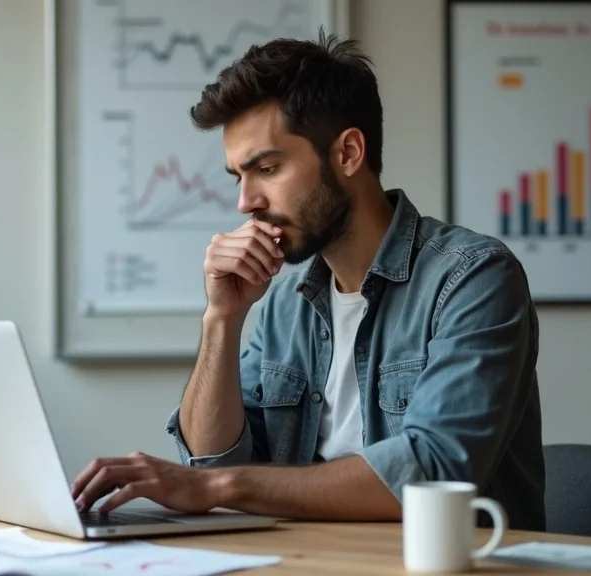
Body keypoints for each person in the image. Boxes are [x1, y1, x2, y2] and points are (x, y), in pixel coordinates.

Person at [70, 31, 546, 532]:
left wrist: (220, 487)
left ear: (347, 153)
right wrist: (222, 319)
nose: (245, 202)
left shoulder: (472, 278)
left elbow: (434, 470)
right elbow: (211, 464)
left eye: (268, 168)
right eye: (239, 176)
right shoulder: (284, 304)